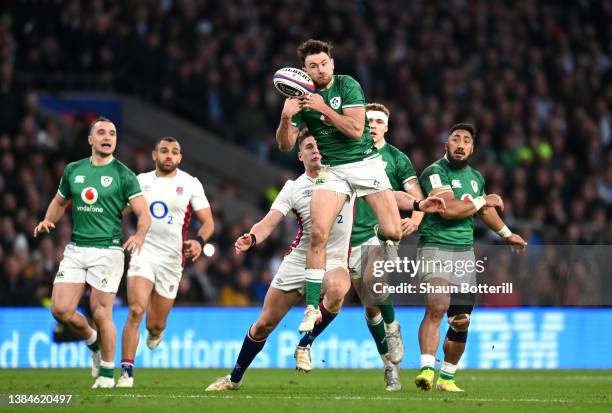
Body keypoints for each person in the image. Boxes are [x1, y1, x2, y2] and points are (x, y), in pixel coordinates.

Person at [205, 129, 354, 391]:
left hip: (334, 260)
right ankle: (234, 378)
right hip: (299, 261)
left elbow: (381, 196)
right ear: (300, 156)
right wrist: (251, 238)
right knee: (264, 324)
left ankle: (305, 343)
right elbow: (268, 223)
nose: (316, 150)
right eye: (309, 147)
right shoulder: (293, 188)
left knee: (339, 288)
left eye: (319, 146)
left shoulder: (346, 178)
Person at [276, 39, 402, 333]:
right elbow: (284, 146)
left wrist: (324, 109)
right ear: (304, 70)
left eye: (323, 63)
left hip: (364, 163)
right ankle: (310, 309)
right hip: (332, 171)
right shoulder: (301, 97)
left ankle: (383, 238)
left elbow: (356, 129)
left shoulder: (347, 85)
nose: (319, 70)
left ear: (331, 63)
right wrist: (285, 117)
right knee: (318, 233)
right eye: (312, 66)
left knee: (393, 230)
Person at [33, 117, 151, 388]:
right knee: (60, 310)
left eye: (112, 133)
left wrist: (139, 234)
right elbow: (59, 201)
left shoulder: (124, 174)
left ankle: (108, 374)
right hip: (76, 249)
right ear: (90, 140)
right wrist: (48, 219)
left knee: (100, 312)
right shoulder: (74, 170)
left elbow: (143, 212)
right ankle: (94, 342)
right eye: (101, 132)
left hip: (108, 250)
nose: (107, 136)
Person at [414, 123, 527, 392]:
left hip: (464, 252)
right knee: (438, 305)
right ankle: (427, 368)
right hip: (435, 246)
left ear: (472, 148)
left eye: (466, 140)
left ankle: (447, 378)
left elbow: (484, 212)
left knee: (461, 319)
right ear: (446, 145)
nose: (461, 144)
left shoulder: (476, 177)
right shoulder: (435, 172)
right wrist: (482, 200)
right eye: (456, 139)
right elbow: (449, 210)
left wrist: (507, 233)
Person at [117, 137, 214, 388]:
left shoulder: (190, 184)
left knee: (154, 323)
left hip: (172, 259)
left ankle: (156, 332)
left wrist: (199, 242)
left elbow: (208, 222)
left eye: (174, 152)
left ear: (180, 158)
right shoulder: (140, 181)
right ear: (154, 155)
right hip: (143, 252)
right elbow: (121, 208)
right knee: (136, 309)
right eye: (164, 151)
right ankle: (126, 371)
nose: (169, 155)